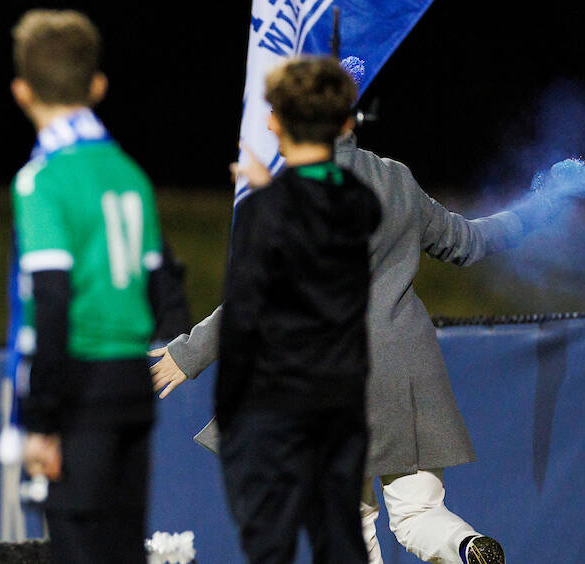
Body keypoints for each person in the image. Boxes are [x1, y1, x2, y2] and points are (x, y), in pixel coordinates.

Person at [150, 76, 527, 564]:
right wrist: (530, 217)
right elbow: (468, 242)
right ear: (350, 121)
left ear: (278, 123)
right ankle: (466, 545)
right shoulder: (397, 179)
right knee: (417, 515)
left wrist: (188, 354)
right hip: (404, 379)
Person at [8, 9, 172, 563]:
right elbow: (163, 294)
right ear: (97, 86)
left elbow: (52, 301)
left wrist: (40, 419)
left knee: (78, 550)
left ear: (22, 91)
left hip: (78, 392)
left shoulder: (42, 179)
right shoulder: (131, 174)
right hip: (132, 386)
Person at [217, 56, 380, 564]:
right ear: (346, 123)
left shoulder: (265, 211)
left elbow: (241, 318)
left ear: (280, 122)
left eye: (272, 112)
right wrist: (278, 192)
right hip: (342, 403)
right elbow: (321, 200)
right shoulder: (358, 202)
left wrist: (228, 413)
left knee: (270, 546)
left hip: (274, 407)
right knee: (341, 541)